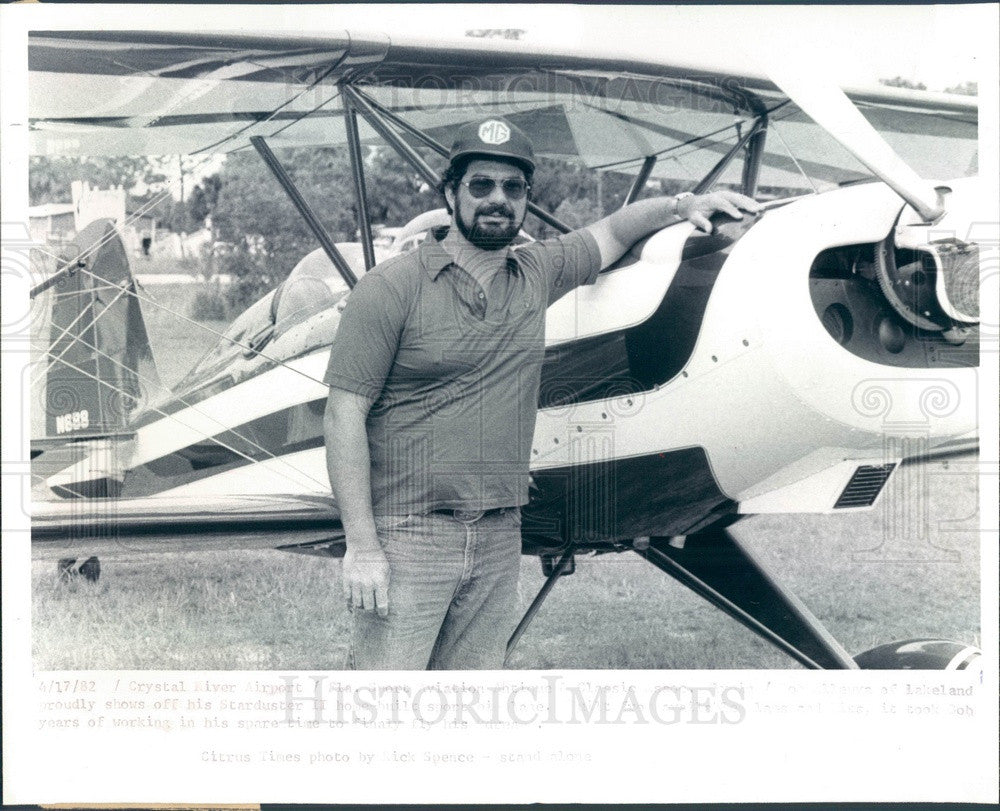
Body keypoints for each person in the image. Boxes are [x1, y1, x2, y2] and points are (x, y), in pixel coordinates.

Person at [324, 117, 760, 670]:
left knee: (467, 711)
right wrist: (362, 547)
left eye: (513, 188)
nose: (497, 200)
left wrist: (683, 205)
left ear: (527, 199)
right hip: (410, 533)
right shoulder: (389, 288)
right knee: (389, 703)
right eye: (481, 185)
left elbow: (614, 231)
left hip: (500, 532)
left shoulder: (537, 271)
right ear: (451, 192)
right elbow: (344, 415)